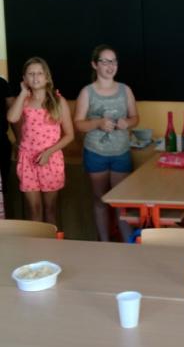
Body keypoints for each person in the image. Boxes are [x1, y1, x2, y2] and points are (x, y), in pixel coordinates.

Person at [74, 45, 138, 242]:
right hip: (96, 153)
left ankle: (128, 244)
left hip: (121, 152)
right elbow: (78, 123)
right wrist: (98, 123)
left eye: (113, 61)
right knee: (100, 199)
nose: (110, 66)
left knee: (120, 201)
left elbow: (135, 117)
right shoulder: (87, 92)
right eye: (105, 61)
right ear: (95, 65)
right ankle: (104, 242)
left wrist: (127, 123)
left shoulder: (125, 90)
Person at [7, 57, 74, 225]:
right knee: (34, 209)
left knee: (50, 209)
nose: (35, 77)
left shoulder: (58, 101)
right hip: (27, 160)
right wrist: (22, 93)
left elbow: (69, 135)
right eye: (31, 74)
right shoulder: (24, 101)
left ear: (47, 77)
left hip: (50, 160)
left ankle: (51, 241)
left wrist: (48, 152)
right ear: (24, 78)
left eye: (39, 73)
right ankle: (36, 241)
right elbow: (12, 118)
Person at [0, 75, 15, 198]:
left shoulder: (2, 83)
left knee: (2, 188)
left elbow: (13, 116)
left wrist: (19, 140)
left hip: (1, 142)